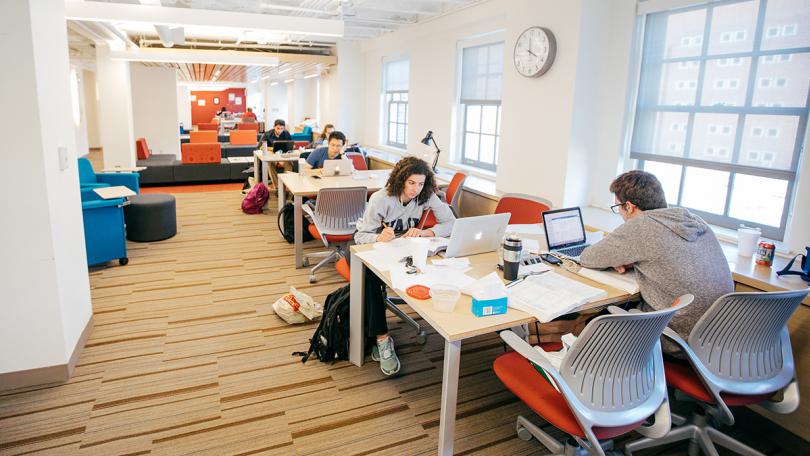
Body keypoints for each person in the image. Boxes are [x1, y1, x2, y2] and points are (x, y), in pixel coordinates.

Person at [578, 170, 733, 355]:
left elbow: (587, 258)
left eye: (617, 207)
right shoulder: (692, 220)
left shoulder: (642, 226)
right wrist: (630, 259)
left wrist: (618, 259)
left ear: (629, 206)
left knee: (597, 320)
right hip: (720, 338)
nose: (619, 213)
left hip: (676, 338)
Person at [354, 157, 456, 375]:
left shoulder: (425, 195)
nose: (416, 189)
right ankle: (382, 339)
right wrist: (379, 237)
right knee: (371, 276)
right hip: (374, 251)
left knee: (440, 264)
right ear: (401, 180)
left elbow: (451, 222)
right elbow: (359, 236)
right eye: (411, 183)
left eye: (420, 184)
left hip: (404, 251)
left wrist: (426, 232)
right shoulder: (381, 199)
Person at [258, 119, 294, 187]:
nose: (279, 130)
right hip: (272, 156)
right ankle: (277, 187)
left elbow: (290, 145)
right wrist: (273, 149)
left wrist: (291, 147)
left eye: (282, 128)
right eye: (278, 128)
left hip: (283, 156)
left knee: (289, 162)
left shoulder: (286, 133)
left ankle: (286, 186)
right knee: (270, 163)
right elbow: (261, 147)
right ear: (274, 127)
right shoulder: (267, 134)